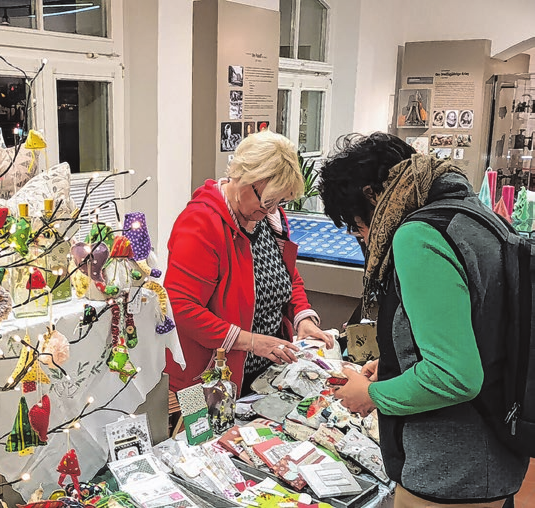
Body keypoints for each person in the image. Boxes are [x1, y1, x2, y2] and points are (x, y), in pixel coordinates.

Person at [317, 132, 528, 507]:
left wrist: (372, 395)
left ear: (371, 196)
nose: (363, 237)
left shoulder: (419, 234)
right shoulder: (475, 215)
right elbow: (476, 330)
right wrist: (400, 361)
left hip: (448, 469)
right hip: (494, 453)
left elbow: (454, 376)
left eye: (356, 225)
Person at [164, 131, 333, 396]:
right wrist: (251, 342)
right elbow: (181, 308)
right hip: (207, 378)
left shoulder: (267, 217)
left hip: (264, 374)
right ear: (242, 176)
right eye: (267, 201)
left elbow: (287, 278)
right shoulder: (200, 224)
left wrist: (302, 317)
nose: (271, 209)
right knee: (209, 438)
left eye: (280, 202)